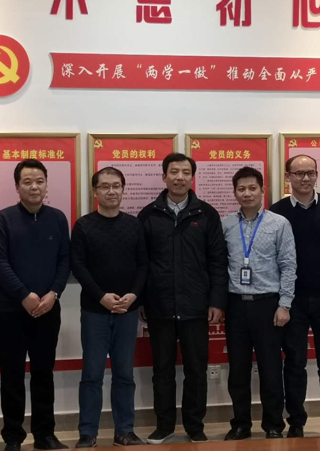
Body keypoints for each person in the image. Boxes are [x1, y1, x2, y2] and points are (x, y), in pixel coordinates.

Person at [137, 153, 229, 444]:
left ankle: (194, 426)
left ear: (192, 177)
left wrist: (216, 301)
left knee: (196, 371)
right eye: (174, 172)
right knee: (162, 371)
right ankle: (164, 426)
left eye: (185, 172)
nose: (179, 177)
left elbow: (218, 261)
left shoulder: (206, 214)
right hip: (160, 305)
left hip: (196, 305)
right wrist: (142, 300)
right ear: (164, 176)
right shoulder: (148, 215)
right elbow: (141, 263)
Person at [0, 159, 70, 451]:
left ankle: (45, 435)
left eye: (39, 181)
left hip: (48, 309)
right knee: (11, 375)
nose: (34, 187)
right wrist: (23, 294)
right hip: (11, 311)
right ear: (17, 186)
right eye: (27, 182)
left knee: (43, 374)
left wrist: (54, 293)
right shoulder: (3, 220)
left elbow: (64, 260)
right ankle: (13, 437)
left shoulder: (58, 218)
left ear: (46, 185)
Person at [270, 155, 320, 438]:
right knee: (294, 363)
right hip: (292, 300)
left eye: (310, 173)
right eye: (299, 173)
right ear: (288, 177)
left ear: (316, 175)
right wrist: (281, 299)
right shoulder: (278, 211)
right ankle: (296, 422)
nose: (305, 178)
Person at [71, 167, 148, 448]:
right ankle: (87, 433)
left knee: (124, 374)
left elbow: (143, 264)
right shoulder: (83, 226)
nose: (111, 191)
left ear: (123, 189)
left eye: (116, 186)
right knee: (92, 374)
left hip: (127, 311)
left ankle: (124, 431)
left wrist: (134, 295)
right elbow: (78, 266)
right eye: (105, 186)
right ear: (95, 192)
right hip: (95, 311)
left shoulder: (134, 225)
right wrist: (101, 296)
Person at [221, 166, 296, 440]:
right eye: (241, 189)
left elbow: (288, 265)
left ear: (262, 190)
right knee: (238, 369)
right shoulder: (226, 225)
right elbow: (219, 266)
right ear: (235, 193)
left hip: (268, 305)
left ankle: (274, 424)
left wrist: (284, 304)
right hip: (235, 305)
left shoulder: (279, 223)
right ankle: (240, 424)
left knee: (271, 368)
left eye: (252, 188)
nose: (247, 193)